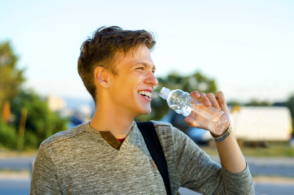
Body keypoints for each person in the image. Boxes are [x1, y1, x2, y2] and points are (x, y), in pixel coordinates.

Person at [30, 26, 254, 195]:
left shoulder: (166, 141)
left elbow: (238, 192)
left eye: (153, 70)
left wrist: (223, 133)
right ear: (103, 77)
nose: (154, 80)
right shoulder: (55, 155)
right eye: (140, 69)